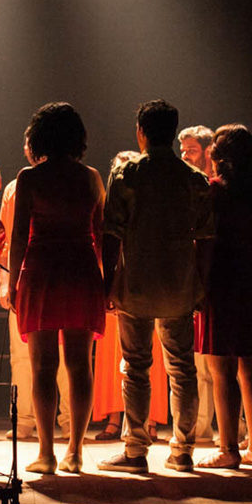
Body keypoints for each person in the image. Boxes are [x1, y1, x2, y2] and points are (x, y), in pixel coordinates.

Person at [98, 99, 213, 474]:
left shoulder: (128, 174)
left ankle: (135, 451)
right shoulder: (193, 179)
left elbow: (111, 233)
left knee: (135, 366)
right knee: (182, 367)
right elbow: (207, 237)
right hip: (179, 283)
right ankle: (182, 450)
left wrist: (107, 281)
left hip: (138, 283)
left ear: (141, 134)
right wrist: (203, 283)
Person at [9, 102, 105, 475]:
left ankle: (46, 453)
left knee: (42, 367)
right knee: (81, 365)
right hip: (81, 270)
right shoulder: (91, 177)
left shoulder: (31, 177)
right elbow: (101, 234)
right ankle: (76, 451)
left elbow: (19, 234)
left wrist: (14, 281)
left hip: (42, 269)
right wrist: (107, 280)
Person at [195, 125, 252, 469]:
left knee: (222, 368)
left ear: (221, 157)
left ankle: (229, 449)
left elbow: (207, 241)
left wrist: (199, 284)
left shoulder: (216, 191)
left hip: (223, 276)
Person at [91, 151, 170, 442]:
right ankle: (114, 417)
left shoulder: (153, 202)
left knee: (148, 353)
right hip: (116, 278)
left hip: (146, 279)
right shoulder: (108, 203)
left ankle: (147, 420)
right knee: (112, 353)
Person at [0, 133, 72, 441]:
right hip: (28, 276)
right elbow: (5, 241)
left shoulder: (74, 181)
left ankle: (68, 420)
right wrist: (5, 282)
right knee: (22, 356)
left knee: (67, 355)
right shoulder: (15, 187)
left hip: (55, 275)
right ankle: (24, 421)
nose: (29, 150)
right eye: (27, 144)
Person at [177, 126, 218, 443]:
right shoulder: (187, 186)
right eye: (182, 149)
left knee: (216, 360)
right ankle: (200, 428)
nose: (184, 155)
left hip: (212, 278)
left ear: (207, 151)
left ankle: (229, 427)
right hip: (187, 279)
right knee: (196, 360)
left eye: (191, 149)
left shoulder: (213, 186)